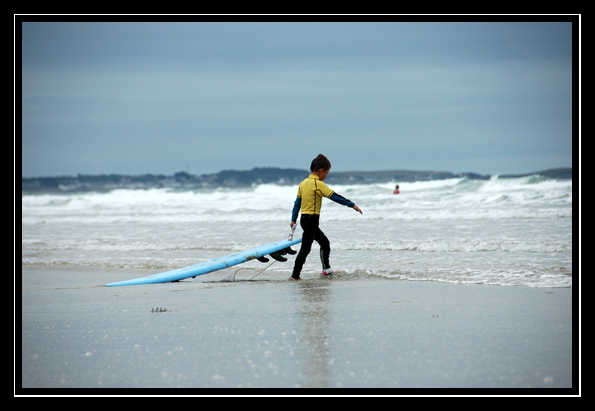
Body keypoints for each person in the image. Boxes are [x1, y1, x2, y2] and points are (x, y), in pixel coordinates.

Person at [289, 154, 363, 281]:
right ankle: (295, 276)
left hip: (305, 219)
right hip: (312, 220)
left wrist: (293, 219)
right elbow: (334, 196)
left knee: (324, 243)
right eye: (327, 173)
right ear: (321, 171)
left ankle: (326, 270)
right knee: (306, 248)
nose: (326, 176)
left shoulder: (303, 183)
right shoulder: (317, 184)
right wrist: (352, 205)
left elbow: (297, 203)